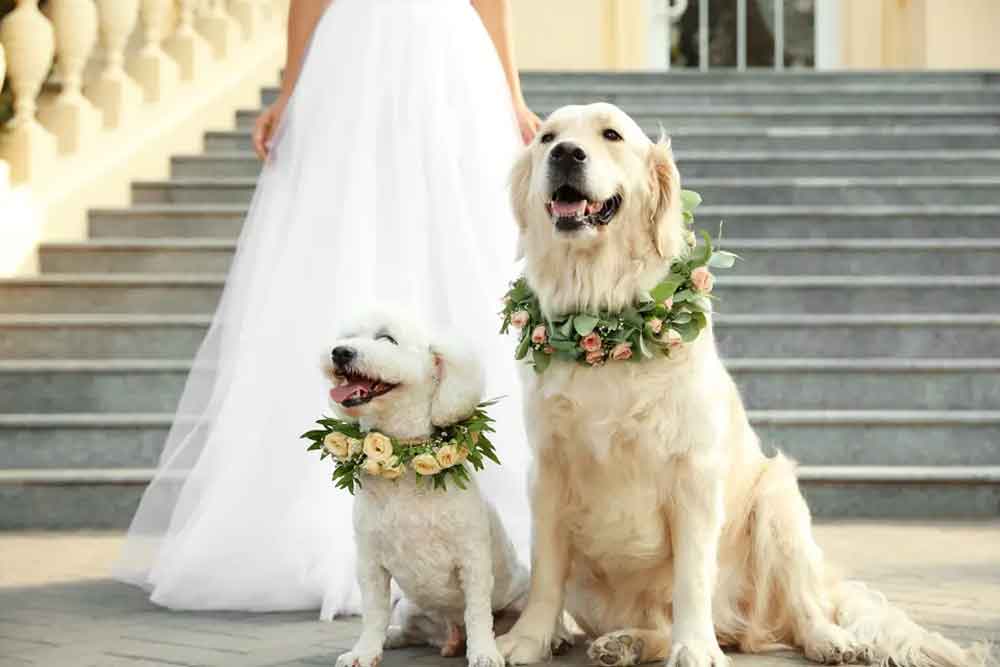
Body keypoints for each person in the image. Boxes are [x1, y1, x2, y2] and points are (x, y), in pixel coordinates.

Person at [114, 0, 538, 619]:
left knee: (454, 245)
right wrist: (290, 90)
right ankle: (328, 521)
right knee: (340, 244)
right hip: (353, 62)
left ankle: (469, 522)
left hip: (450, 62)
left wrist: (510, 94)